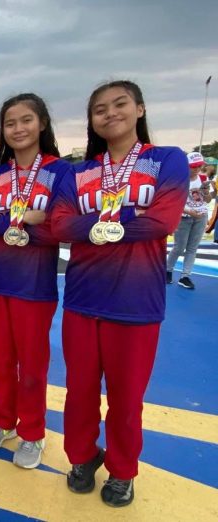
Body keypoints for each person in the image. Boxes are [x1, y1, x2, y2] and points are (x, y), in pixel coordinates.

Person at [51, 80, 188, 507]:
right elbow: (59, 224)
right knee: (80, 393)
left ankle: (124, 471)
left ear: (140, 109)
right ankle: (82, 457)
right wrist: (122, 219)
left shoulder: (167, 160)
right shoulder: (79, 172)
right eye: (99, 109)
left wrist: (94, 226)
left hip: (136, 302)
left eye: (120, 104)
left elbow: (163, 221)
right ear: (91, 121)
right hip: (82, 299)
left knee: (127, 400)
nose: (110, 114)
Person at [0, 93, 71, 469]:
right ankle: (3, 421)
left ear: (42, 123)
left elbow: (62, 227)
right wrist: (23, 218)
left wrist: (25, 225)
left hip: (35, 286)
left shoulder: (63, 173)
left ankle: (33, 432)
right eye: (10, 123)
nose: (18, 129)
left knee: (31, 365)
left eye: (26, 120)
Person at [166, 152, 212, 289]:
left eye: (199, 166)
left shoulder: (203, 178)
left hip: (201, 216)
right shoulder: (178, 180)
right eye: (194, 166)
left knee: (192, 248)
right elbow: (173, 201)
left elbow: (208, 200)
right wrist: (188, 211)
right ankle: (168, 270)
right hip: (184, 217)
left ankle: (185, 276)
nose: (197, 169)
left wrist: (207, 192)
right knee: (179, 247)